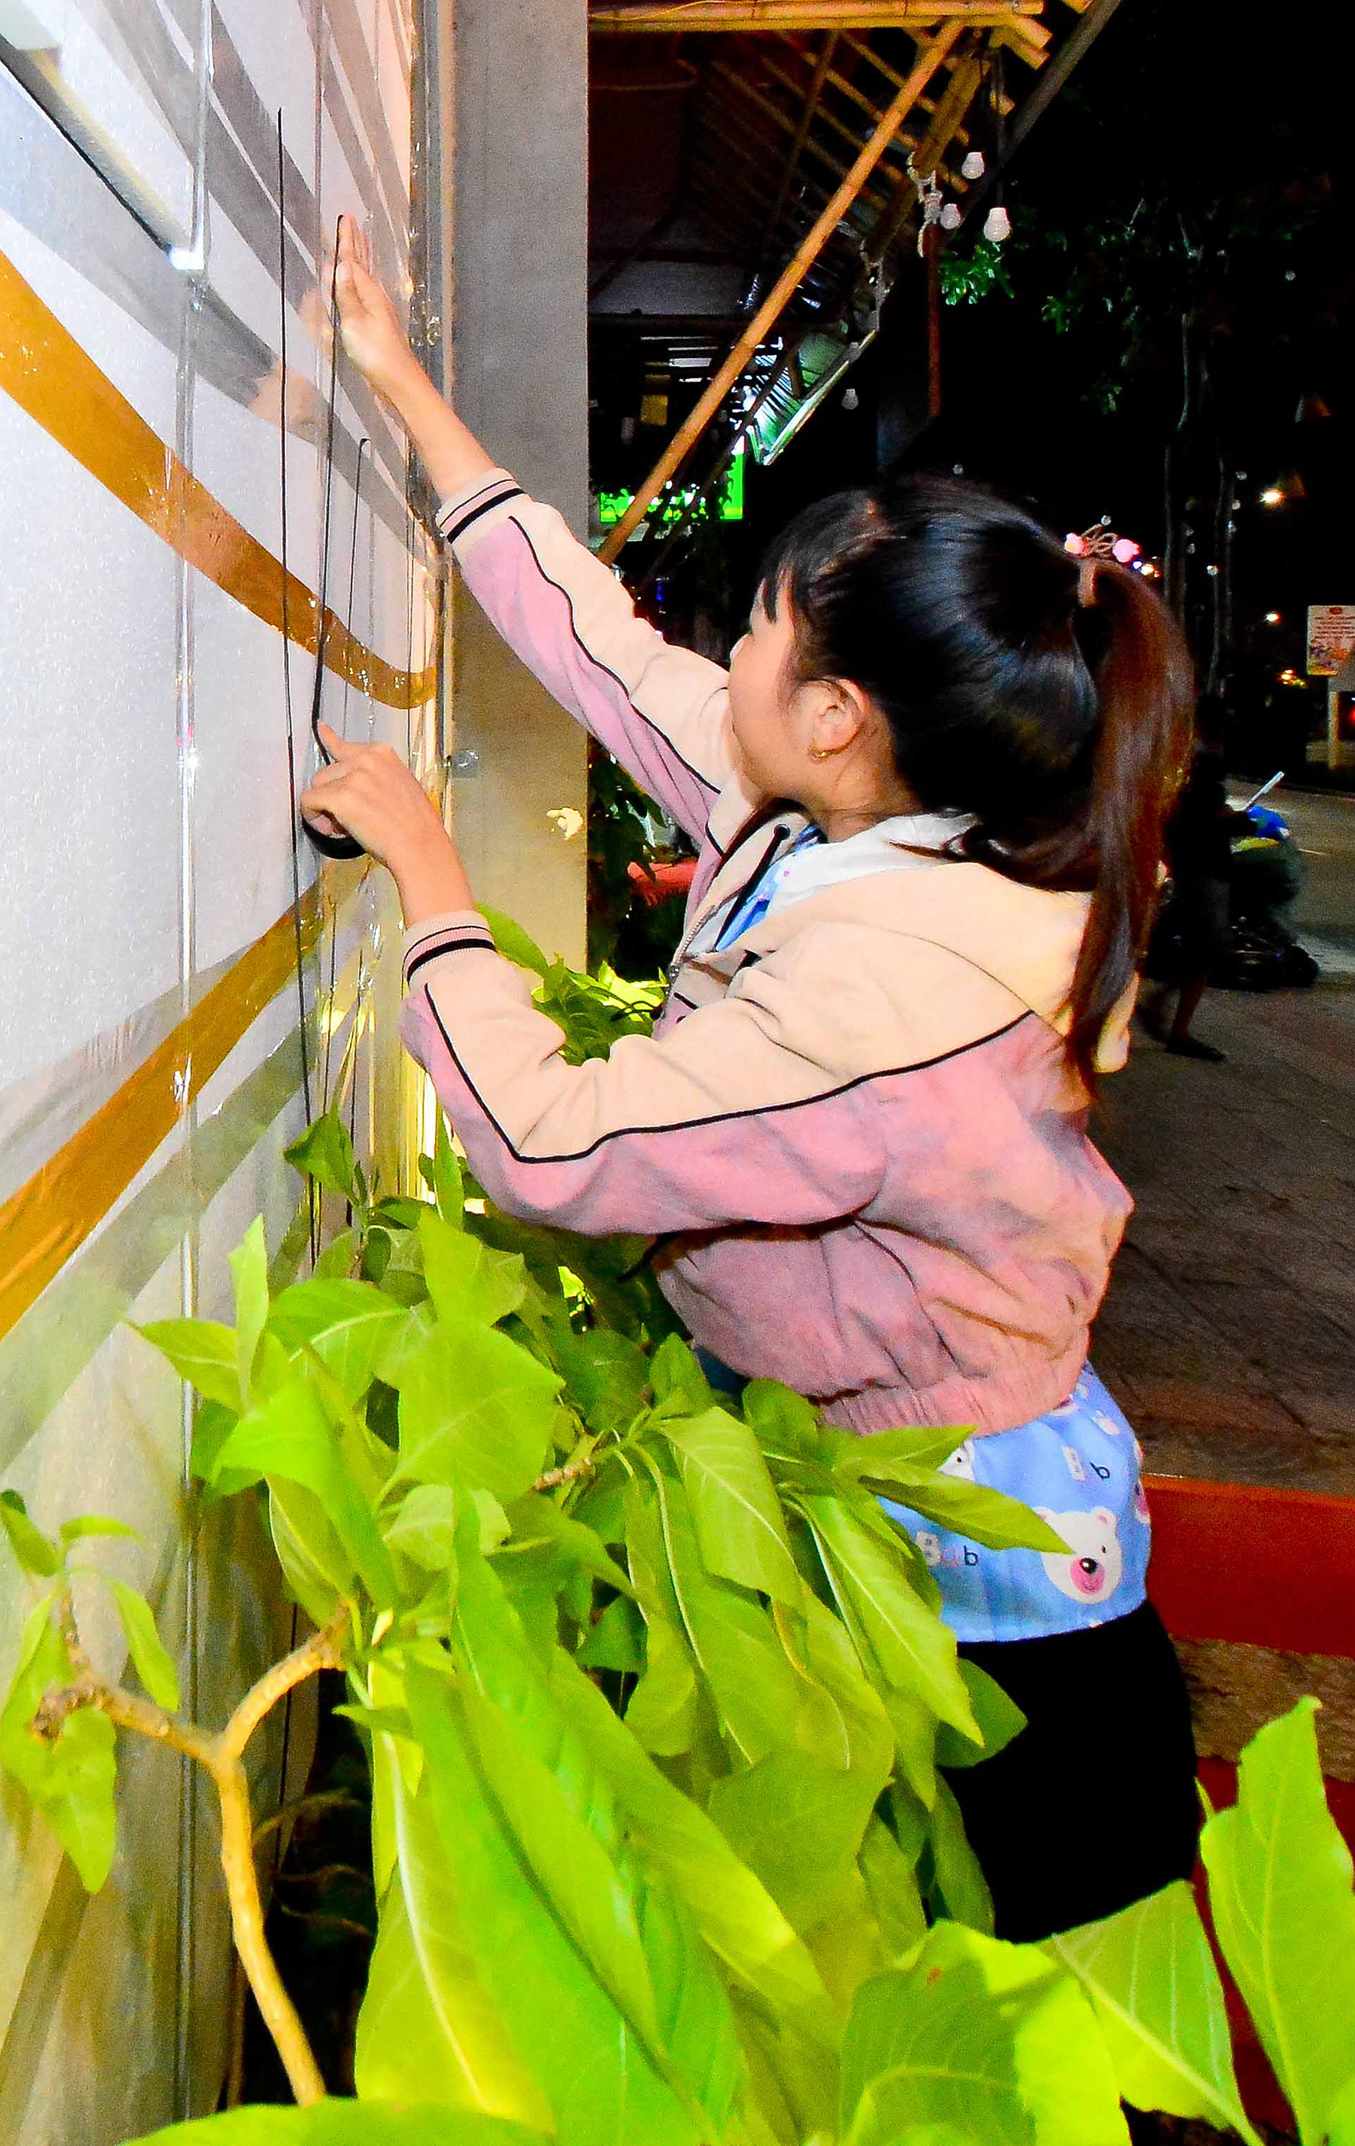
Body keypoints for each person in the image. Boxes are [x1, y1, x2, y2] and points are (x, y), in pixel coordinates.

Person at [298, 219, 1203, 1941]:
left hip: (992, 1622)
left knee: (1012, 2005)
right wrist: (403, 388)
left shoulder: (895, 989)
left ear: (842, 713)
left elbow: (549, 1147)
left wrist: (431, 878)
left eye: (767, 631)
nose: (735, 656)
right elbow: (603, 652)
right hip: (883, 1517)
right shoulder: (857, 820)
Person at [1143, 741, 1235, 1060]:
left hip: (1190, 872)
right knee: (1206, 950)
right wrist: (1230, 821)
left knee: (1197, 949)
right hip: (1204, 874)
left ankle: (1164, 1007)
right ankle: (1175, 1025)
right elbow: (1201, 824)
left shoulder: (1184, 779)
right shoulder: (1202, 783)